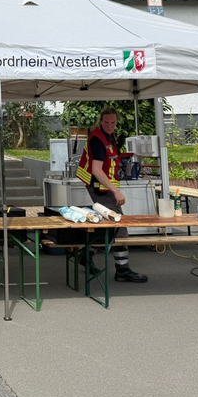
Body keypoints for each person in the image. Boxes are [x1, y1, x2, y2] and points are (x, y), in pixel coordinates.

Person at [76, 107, 148, 283]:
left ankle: (85, 254)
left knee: (107, 226)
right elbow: (96, 170)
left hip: (102, 187)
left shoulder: (108, 136)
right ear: (100, 121)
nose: (110, 126)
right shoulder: (98, 140)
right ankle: (122, 270)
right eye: (106, 122)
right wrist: (116, 191)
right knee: (119, 226)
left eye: (113, 123)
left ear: (117, 122)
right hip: (100, 187)